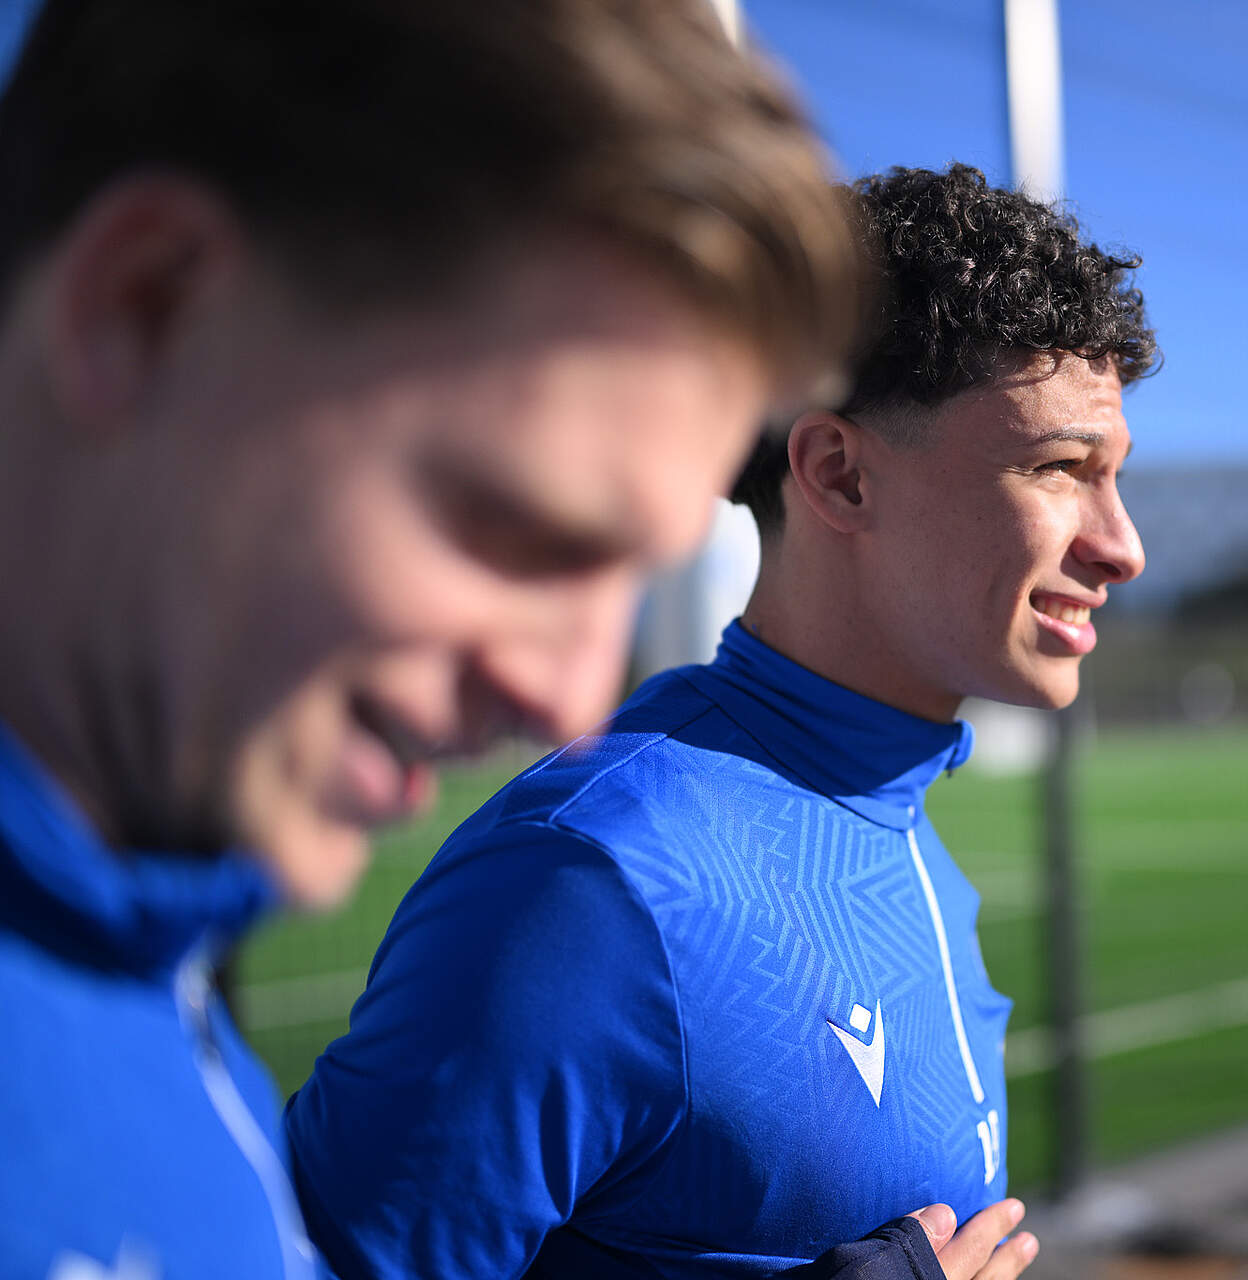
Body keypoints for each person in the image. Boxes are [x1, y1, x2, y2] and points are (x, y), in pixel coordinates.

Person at [0, 4, 1015, 1278]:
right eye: (517, 527)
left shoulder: (139, 980)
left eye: (626, 574)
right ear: (146, 310)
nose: (569, 700)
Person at [286, 162, 1155, 1277]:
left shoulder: (902, 828)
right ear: (839, 475)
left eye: (1114, 475)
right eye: (1060, 468)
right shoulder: (596, 881)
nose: (1123, 546)